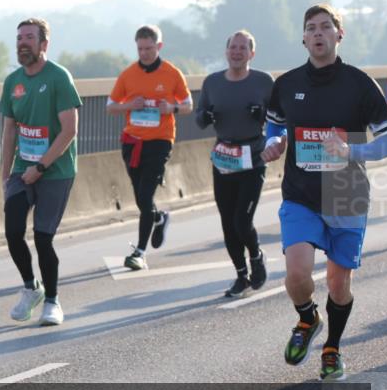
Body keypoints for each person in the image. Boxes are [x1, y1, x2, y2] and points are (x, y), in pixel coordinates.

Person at [262, 3, 387, 381]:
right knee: (297, 273)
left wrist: (354, 151)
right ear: (303, 37)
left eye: (325, 27)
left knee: (338, 283)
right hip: (300, 191)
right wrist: (273, 144)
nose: (317, 33)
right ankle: (307, 319)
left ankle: (332, 346)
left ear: (339, 34)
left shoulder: (359, 84)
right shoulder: (286, 85)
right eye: (311, 28)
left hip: (346, 191)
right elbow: (274, 128)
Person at [0, 18, 81, 325]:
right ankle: (30, 287)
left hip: (56, 170)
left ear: (44, 44)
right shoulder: (13, 82)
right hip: (22, 169)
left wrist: (41, 166)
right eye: (20, 37)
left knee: (43, 238)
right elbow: (9, 132)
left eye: (30, 37)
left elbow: (69, 130)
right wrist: (5, 176)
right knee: (12, 231)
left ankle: (52, 301)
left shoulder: (59, 77)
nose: (23, 42)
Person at [107, 25, 193, 270]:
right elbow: (110, 106)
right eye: (140, 49)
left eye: (149, 48)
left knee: (145, 195)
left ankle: (139, 252)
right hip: (132, 142)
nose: (144, 53)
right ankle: (158, 217)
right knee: (140, 197)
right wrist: (129, 105)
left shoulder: (172, 74)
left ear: (159, 47)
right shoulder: (128, 74)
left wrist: (171, 109)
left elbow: (188, 105)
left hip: (160, 140)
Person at [195, 30, 273, 297]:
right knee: (228, 222)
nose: (237, 52)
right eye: (233, 47)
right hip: (224, 158)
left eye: (243, 48)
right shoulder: (212, 82)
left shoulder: (263, 82)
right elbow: (199, 119)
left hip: (253, 157)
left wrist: (262, 113)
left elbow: (278, 118)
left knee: (242, 219)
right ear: (226, 52)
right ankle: (241, 275)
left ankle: (256, 256)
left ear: (252, 53)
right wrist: (205, 115)